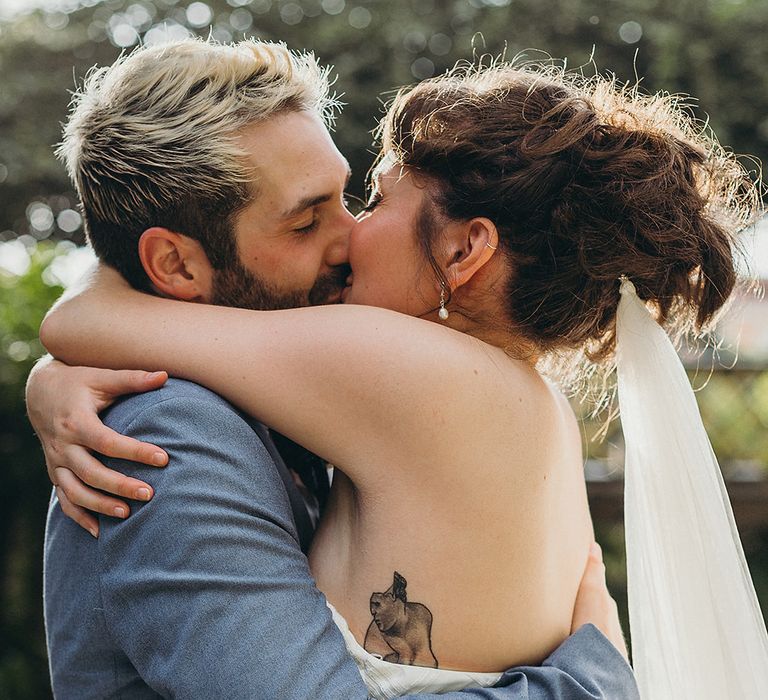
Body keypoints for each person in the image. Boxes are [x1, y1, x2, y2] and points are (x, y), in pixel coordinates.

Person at [38, 41, 768, 695]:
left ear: (462, 252)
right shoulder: (533, 406)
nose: (351, 232)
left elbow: (82, 322)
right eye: (307, 217)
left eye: (371, 197)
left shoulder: (412, 374)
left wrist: (55, 370)